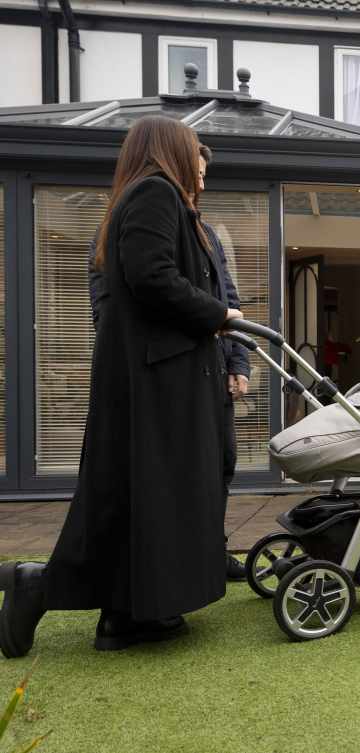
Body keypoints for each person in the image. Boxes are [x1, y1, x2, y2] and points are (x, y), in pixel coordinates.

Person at [0, 115, 243, 657]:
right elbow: (152, 276)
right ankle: (38, 586)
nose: (199, 167)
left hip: (151, 377)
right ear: (170, 150)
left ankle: (126, 616)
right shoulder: (156, 194)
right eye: (192, 152)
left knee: (139, 498)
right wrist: (218, 314)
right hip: (160, 382)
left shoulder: (140, 200)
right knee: (148, 495)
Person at [87, 143, 250, 581]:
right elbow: (112, 305)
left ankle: (209, 549)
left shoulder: (205, 234)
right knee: (168, 478)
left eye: (204, 174)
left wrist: (238, 363)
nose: (201, 182)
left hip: (211, 369)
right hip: (164, 372)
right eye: (196, 172)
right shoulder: (125, 224)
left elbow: (227, 300)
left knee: (219, 465)